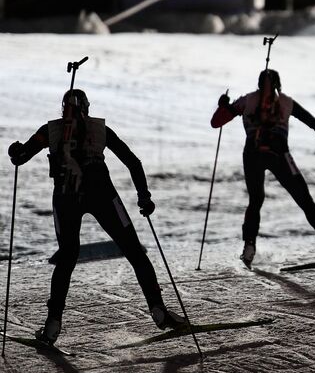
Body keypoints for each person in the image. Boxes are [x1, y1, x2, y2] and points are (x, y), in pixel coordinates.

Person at [7, 89, 186, 346]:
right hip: (101, 190)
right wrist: (143, 196)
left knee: (67, 257)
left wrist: (16, 151)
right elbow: (133, 162)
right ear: (87, 108)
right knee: (135, 252)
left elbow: (21, 157)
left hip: (67, 193)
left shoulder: (50, 130)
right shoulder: (100, 129)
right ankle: (158, 309)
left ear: (62, 109)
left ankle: (52, 325)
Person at [211, 69, 315, 269]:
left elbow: (216, 123)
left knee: (256, 199)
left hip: (252, 155)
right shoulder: (286, 102)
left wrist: (223, 106)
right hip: (280, 156)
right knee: (304, 198)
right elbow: (309, 119)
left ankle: (249, 246)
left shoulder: (247, 100)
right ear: (279, 84)